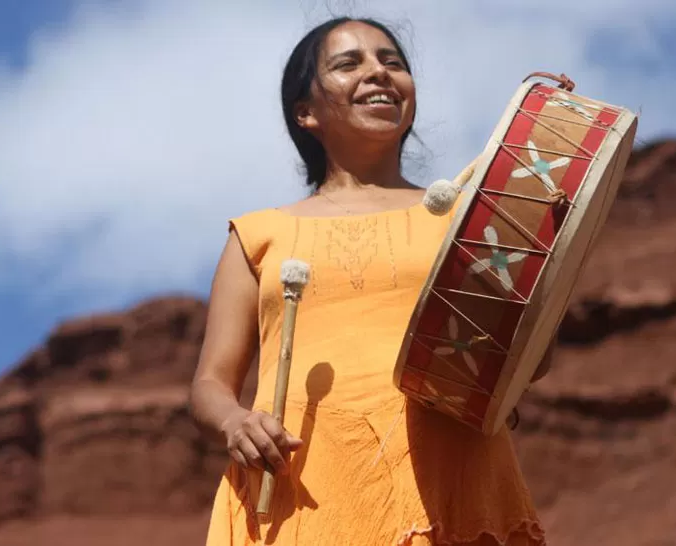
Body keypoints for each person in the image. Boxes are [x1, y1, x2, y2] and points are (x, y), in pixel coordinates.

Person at [190, 16, 552, 546]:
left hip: (450, 479)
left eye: (392, 63)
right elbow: (210, 385)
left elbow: (532, 356)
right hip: (303, 487)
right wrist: (235, 424)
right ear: (306, 112)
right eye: (348, 63)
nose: (379, 74)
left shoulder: (468, 218)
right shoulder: (258, 235)